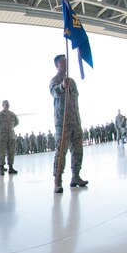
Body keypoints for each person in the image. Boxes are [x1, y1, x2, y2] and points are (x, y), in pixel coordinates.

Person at [50, 54, 88, 194]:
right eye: (62, 62)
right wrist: (62, 86)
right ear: (56, 65)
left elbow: (76, 98)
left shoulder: (72, 81)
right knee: (61, 152)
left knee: (77, 150)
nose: (65, 64)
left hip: (75, 121)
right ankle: (57, 181)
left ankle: (75, 176)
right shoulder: (55, 80)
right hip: (63, 122)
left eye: (66, 61)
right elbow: (54, 92)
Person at [0, 100, 19, 176]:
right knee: (2, 152)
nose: (7, 105)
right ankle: (1, 168)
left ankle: (11, 167)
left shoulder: (12, 114)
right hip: (2, 137)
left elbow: (17, 122)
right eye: (5, 104)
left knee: (11, 152)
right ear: (2, 105)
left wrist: (11, 128)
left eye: (8, 104)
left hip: (11, 136)